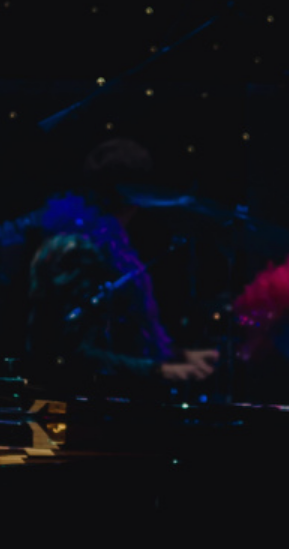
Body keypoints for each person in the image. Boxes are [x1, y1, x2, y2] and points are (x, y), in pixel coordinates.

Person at [19, 139, 219, 396]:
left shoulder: (104, 243)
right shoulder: (78, 250)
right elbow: (69, 351)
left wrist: (177, 355)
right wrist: (159, 371)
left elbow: (121, 337)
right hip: (81, 404)